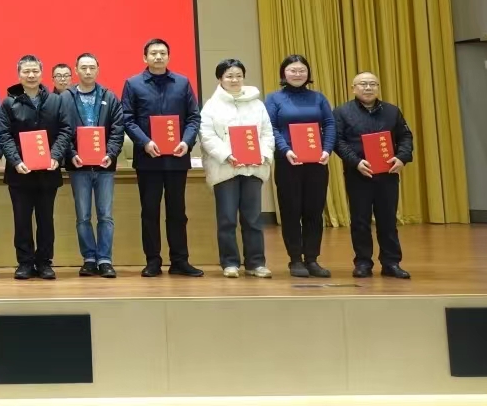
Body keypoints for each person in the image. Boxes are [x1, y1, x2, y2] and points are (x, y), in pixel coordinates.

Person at [121, 38, 204, 277]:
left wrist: (186, 142)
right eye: (153, 53)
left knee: (178, 212)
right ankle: (153, 261)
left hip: (177, 158)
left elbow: (193, 117)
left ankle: (180, 260)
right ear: (144, 57)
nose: (158, 57)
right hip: (148, 159)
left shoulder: (182, 83)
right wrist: (145, 142)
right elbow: (127, 118)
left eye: (163, 53)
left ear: (168, 56)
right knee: (150, 212)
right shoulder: (133, 84)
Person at [0, 55, 71, 280]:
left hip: (48, 172)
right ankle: (25, 263)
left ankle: (45, 262)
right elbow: (4, 134)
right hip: (20, 173)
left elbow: (66, 130)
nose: (31, 75)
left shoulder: (56, 101)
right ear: (19, 75)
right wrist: (16, 160)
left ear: (41, 74)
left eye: (35, 71)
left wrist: (56, 156)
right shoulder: (9, 102)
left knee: (46, 220)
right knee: (22, 220)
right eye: (26, 71)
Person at [198, 59, 275, 279]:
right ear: (220, 79)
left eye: (238, 75)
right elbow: (207, 136)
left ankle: (256, 263)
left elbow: (267, 133)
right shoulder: (211, 106)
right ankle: (230, 262)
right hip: (225, 168)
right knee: (227, 219)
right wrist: (227, 155)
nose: (234, 80)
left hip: (253, 167)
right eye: (229, 76)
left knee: (253, 219)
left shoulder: (257, 104)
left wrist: (263, 155)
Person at [333, 72, 413, 279]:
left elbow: (405, 136)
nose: (368, 88)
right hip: (358, 173)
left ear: (378, 87)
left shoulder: (392, 111)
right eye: (363, 84)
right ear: (353, 88)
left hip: (388, 173)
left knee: (388, 220)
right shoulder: (342, 112)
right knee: (360, 221)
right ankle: (362, 262)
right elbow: (338, 141)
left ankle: (391, 262)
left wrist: (402, 158)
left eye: (372, 84)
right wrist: (356, 162)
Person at [265, 54, 336, 278]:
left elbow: (329, 124)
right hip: (288, 162)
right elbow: (270, 127)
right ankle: (295, 259)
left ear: (308, 73)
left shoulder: (318, 98)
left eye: (302, 70)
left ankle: (312, 259)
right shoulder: (274, 98)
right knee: (291, 211)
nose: (298, 74)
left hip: (317, 162)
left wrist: (327, 150)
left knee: (314, 211)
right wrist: (285, 150)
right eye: (293, 70)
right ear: (283, 73)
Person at [67, 53, 125, 279]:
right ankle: (89, 259)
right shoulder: (66, 98)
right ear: (76, 70)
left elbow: (118, 129)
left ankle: (105, 259)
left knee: (105, 215)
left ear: (98, 70)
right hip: (79, 166)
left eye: (92, 67)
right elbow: (62, 128)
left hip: (104, 167)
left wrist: (110, 154)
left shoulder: (109, 96)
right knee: (82, 216)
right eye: (83, 67)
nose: (88, 71)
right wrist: (71, 154)